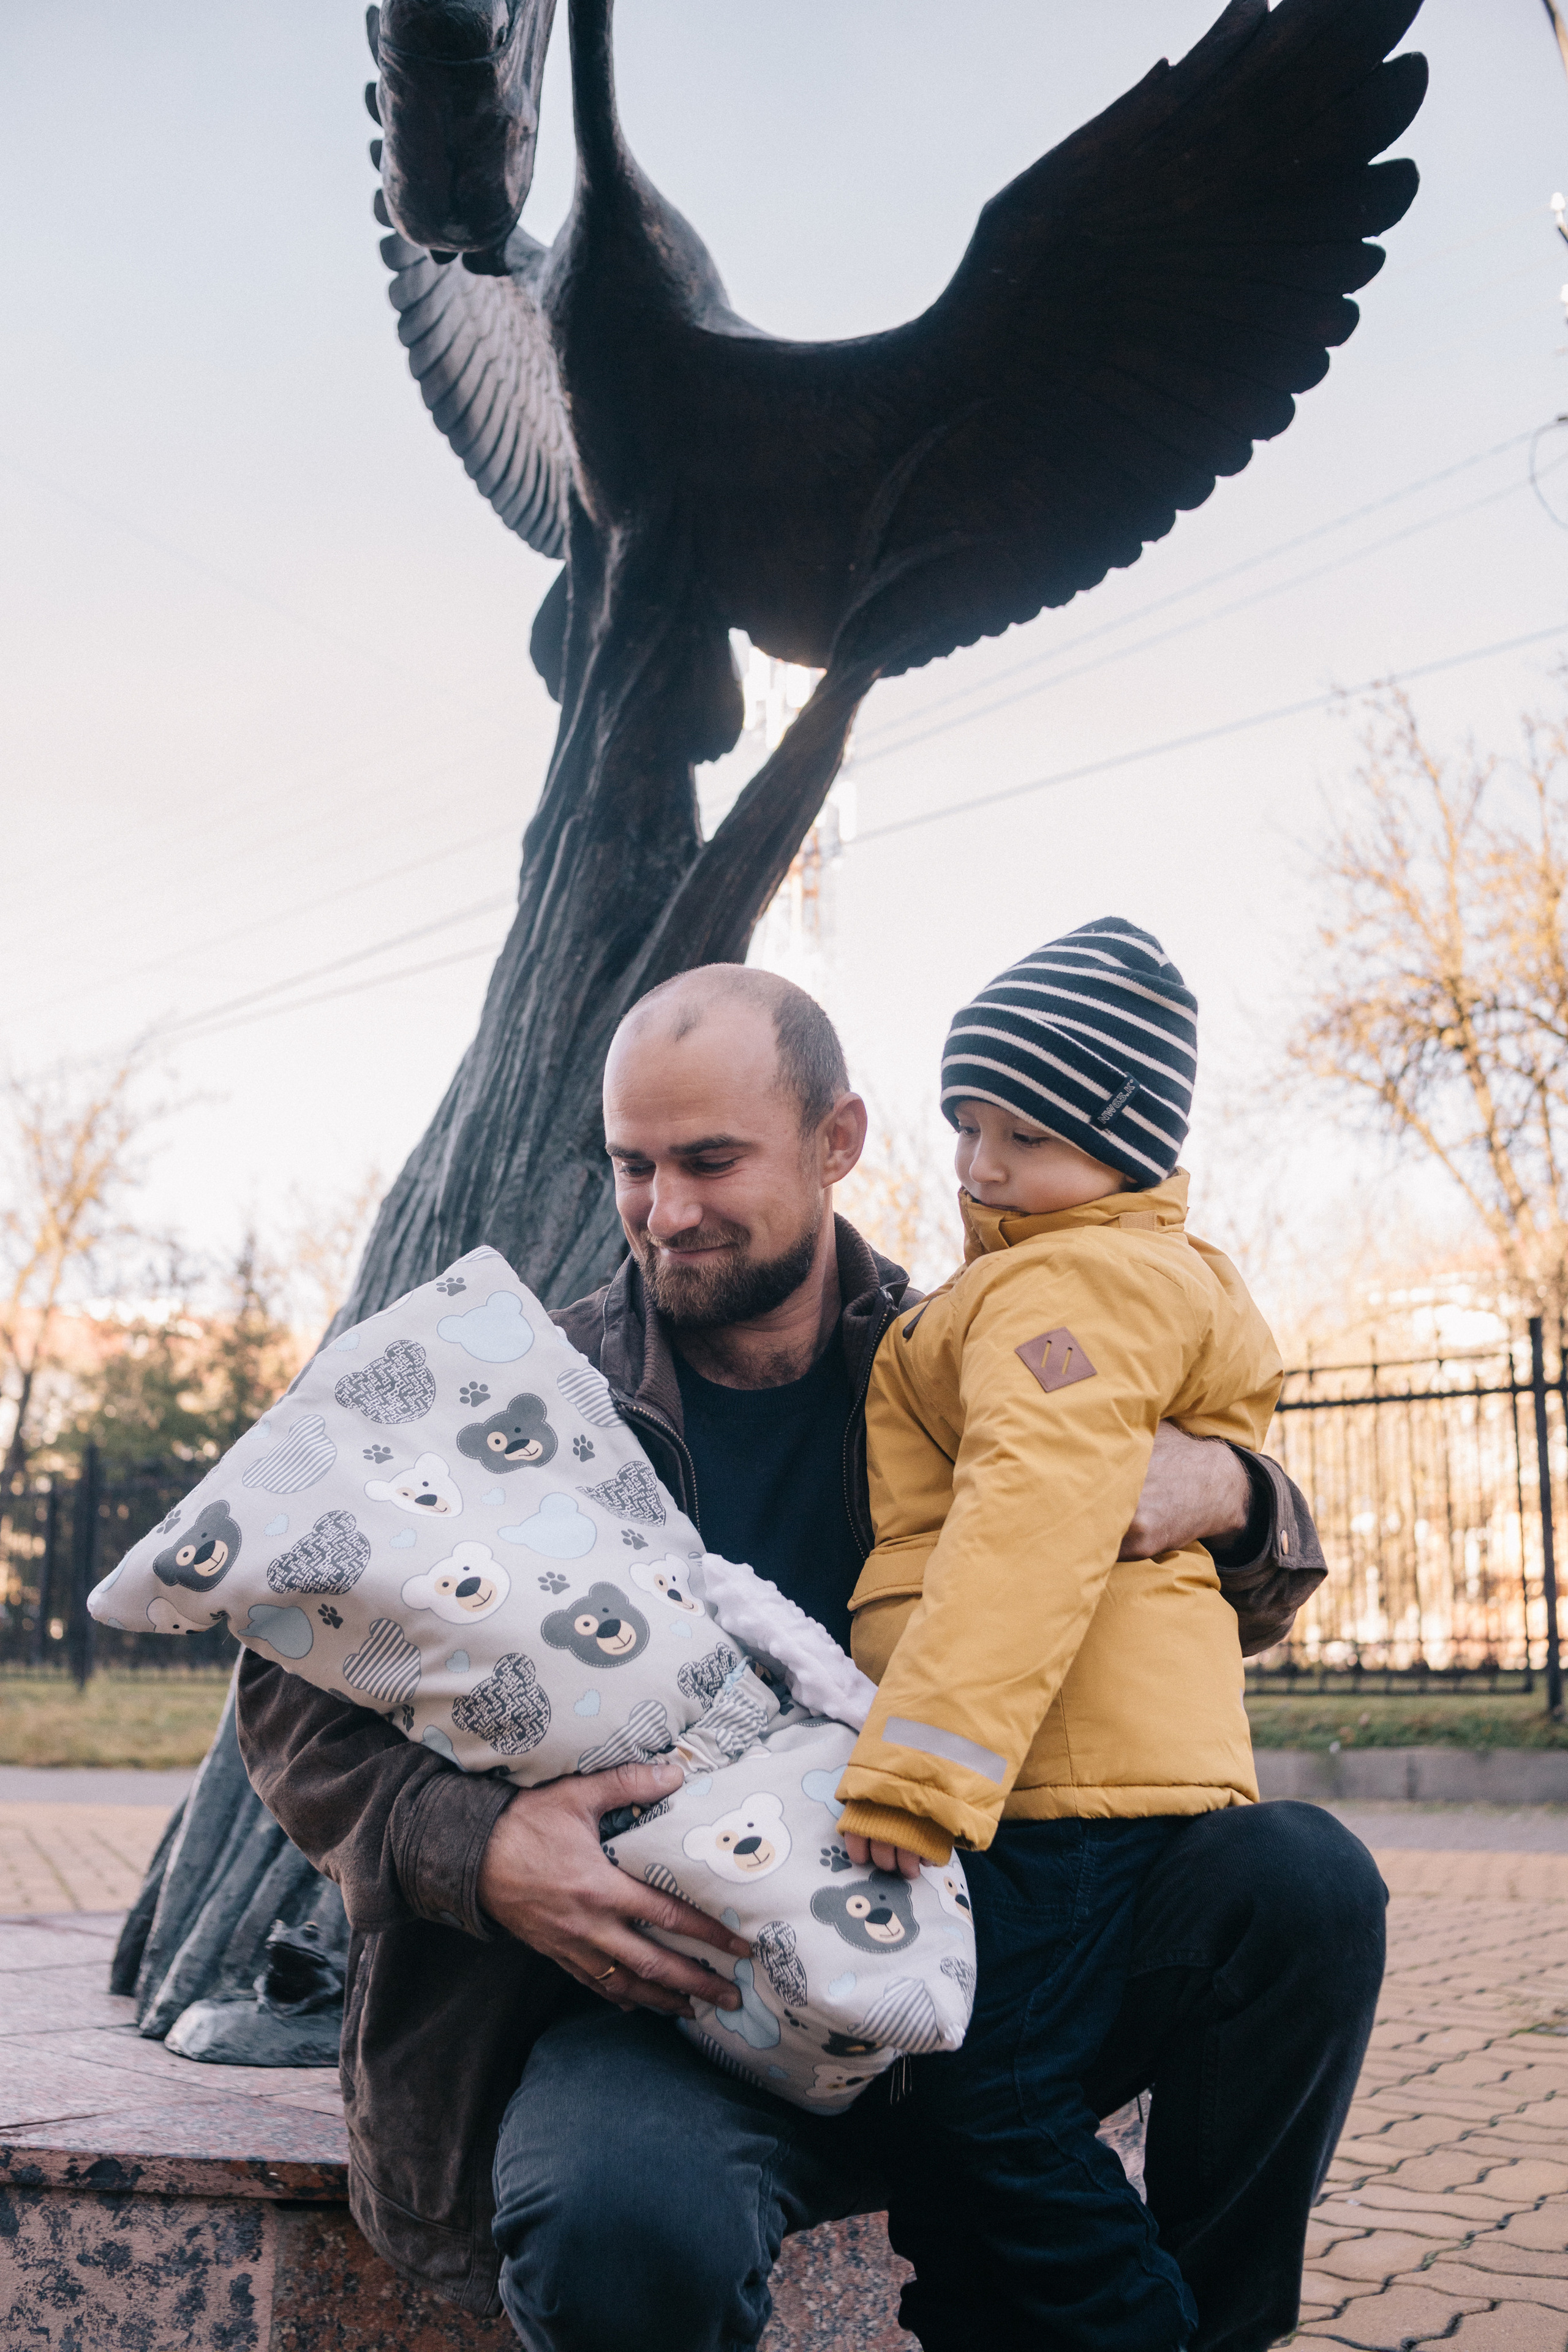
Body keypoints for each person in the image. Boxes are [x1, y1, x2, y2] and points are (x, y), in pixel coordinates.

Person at [235, 963, 1381, 2352]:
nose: (665, 1210)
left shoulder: (959, 1343)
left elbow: (1211, 1585)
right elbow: (291, 1703)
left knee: (1303, 1882)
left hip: (991, 1951)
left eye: (710, 1160)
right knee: (620, 2216)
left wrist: (1236, 1493)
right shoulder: (523, 1394)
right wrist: (473, 1847)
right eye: (631, 1167)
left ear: (837, 1141)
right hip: (674, 1991)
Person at [834, 917, 1286, 2351]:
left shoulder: (1071, 1290)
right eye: (968, 1120)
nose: (977, 1163)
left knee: (993, 2102)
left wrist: (917, 1771)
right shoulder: (1070, 1271)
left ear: (1124, 1149)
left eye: (1023, 1134)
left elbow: (1025, 1531)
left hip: (1050, 1784)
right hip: (1063, 1768)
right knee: (971, 2120)